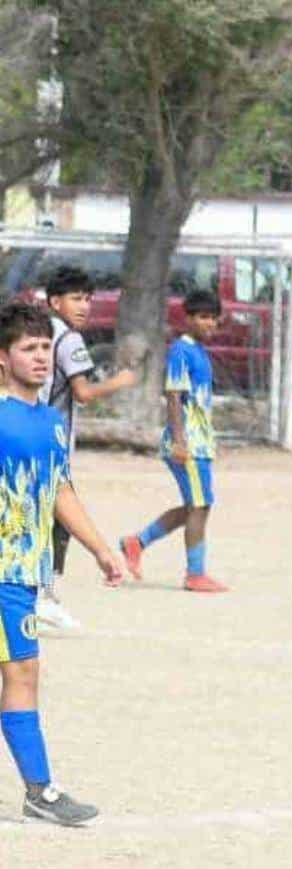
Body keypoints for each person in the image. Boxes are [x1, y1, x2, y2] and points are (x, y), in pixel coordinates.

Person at [0, 302, 123, 825]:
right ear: (2, 358)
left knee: (23, 672)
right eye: (28, 349)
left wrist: (101, 548)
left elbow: (60, 492)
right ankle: (41, 790)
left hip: (24, 574)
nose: (41, 358)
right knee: (22, 671)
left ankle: (39, 791)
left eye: (45, 348)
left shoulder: (50, 422)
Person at [36, 265, 137, 629]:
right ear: (55, 301)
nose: (84, 306)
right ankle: (44, 594)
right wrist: (120, 381)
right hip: (49, 442)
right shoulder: (69, 340)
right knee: (58, 519)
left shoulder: (35, 333)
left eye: (88, 299)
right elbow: (83, 393)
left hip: (22, 435)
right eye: (76, 298)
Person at [118, 290, 228, 593]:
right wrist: (180, 440)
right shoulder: (181, 350)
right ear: (188, 319)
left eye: (212, 318)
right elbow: (174, 395)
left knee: (197, 504)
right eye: (202, 317)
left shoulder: (200, 352)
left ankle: (136, 542)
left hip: (200, 442)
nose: (208, 323)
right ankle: (195, 573)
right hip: (187, 443)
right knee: (200, 505)